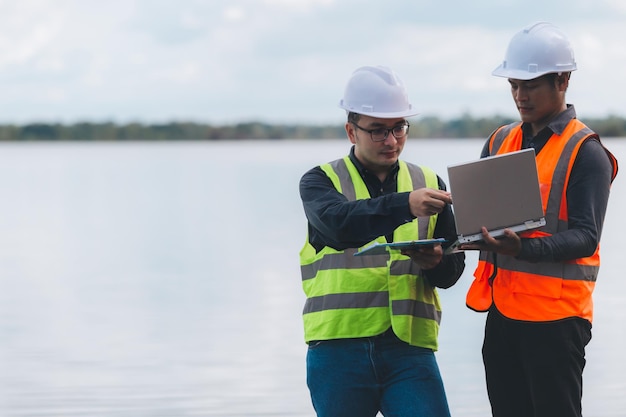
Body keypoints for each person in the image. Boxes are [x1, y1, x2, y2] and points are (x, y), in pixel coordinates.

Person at [461, 22, 619, 417]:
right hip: (501, 314)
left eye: (530, 85)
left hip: (557, 322)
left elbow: (586, 237)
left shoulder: (586, 151)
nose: (520, 95)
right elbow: (479, 218)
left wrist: (524, 247)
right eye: (514, 85)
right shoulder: (499, 141)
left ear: (563, 80)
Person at [298, 65, 465, 417]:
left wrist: (437, 263)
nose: (391, 141)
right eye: (377, 131)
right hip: (337, 351)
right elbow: (340, 226)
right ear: (351, 131)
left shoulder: (429, 181)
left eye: (399, 128)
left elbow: (451, 272)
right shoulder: (319, 182)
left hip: (410, 349)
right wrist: (405, 204)